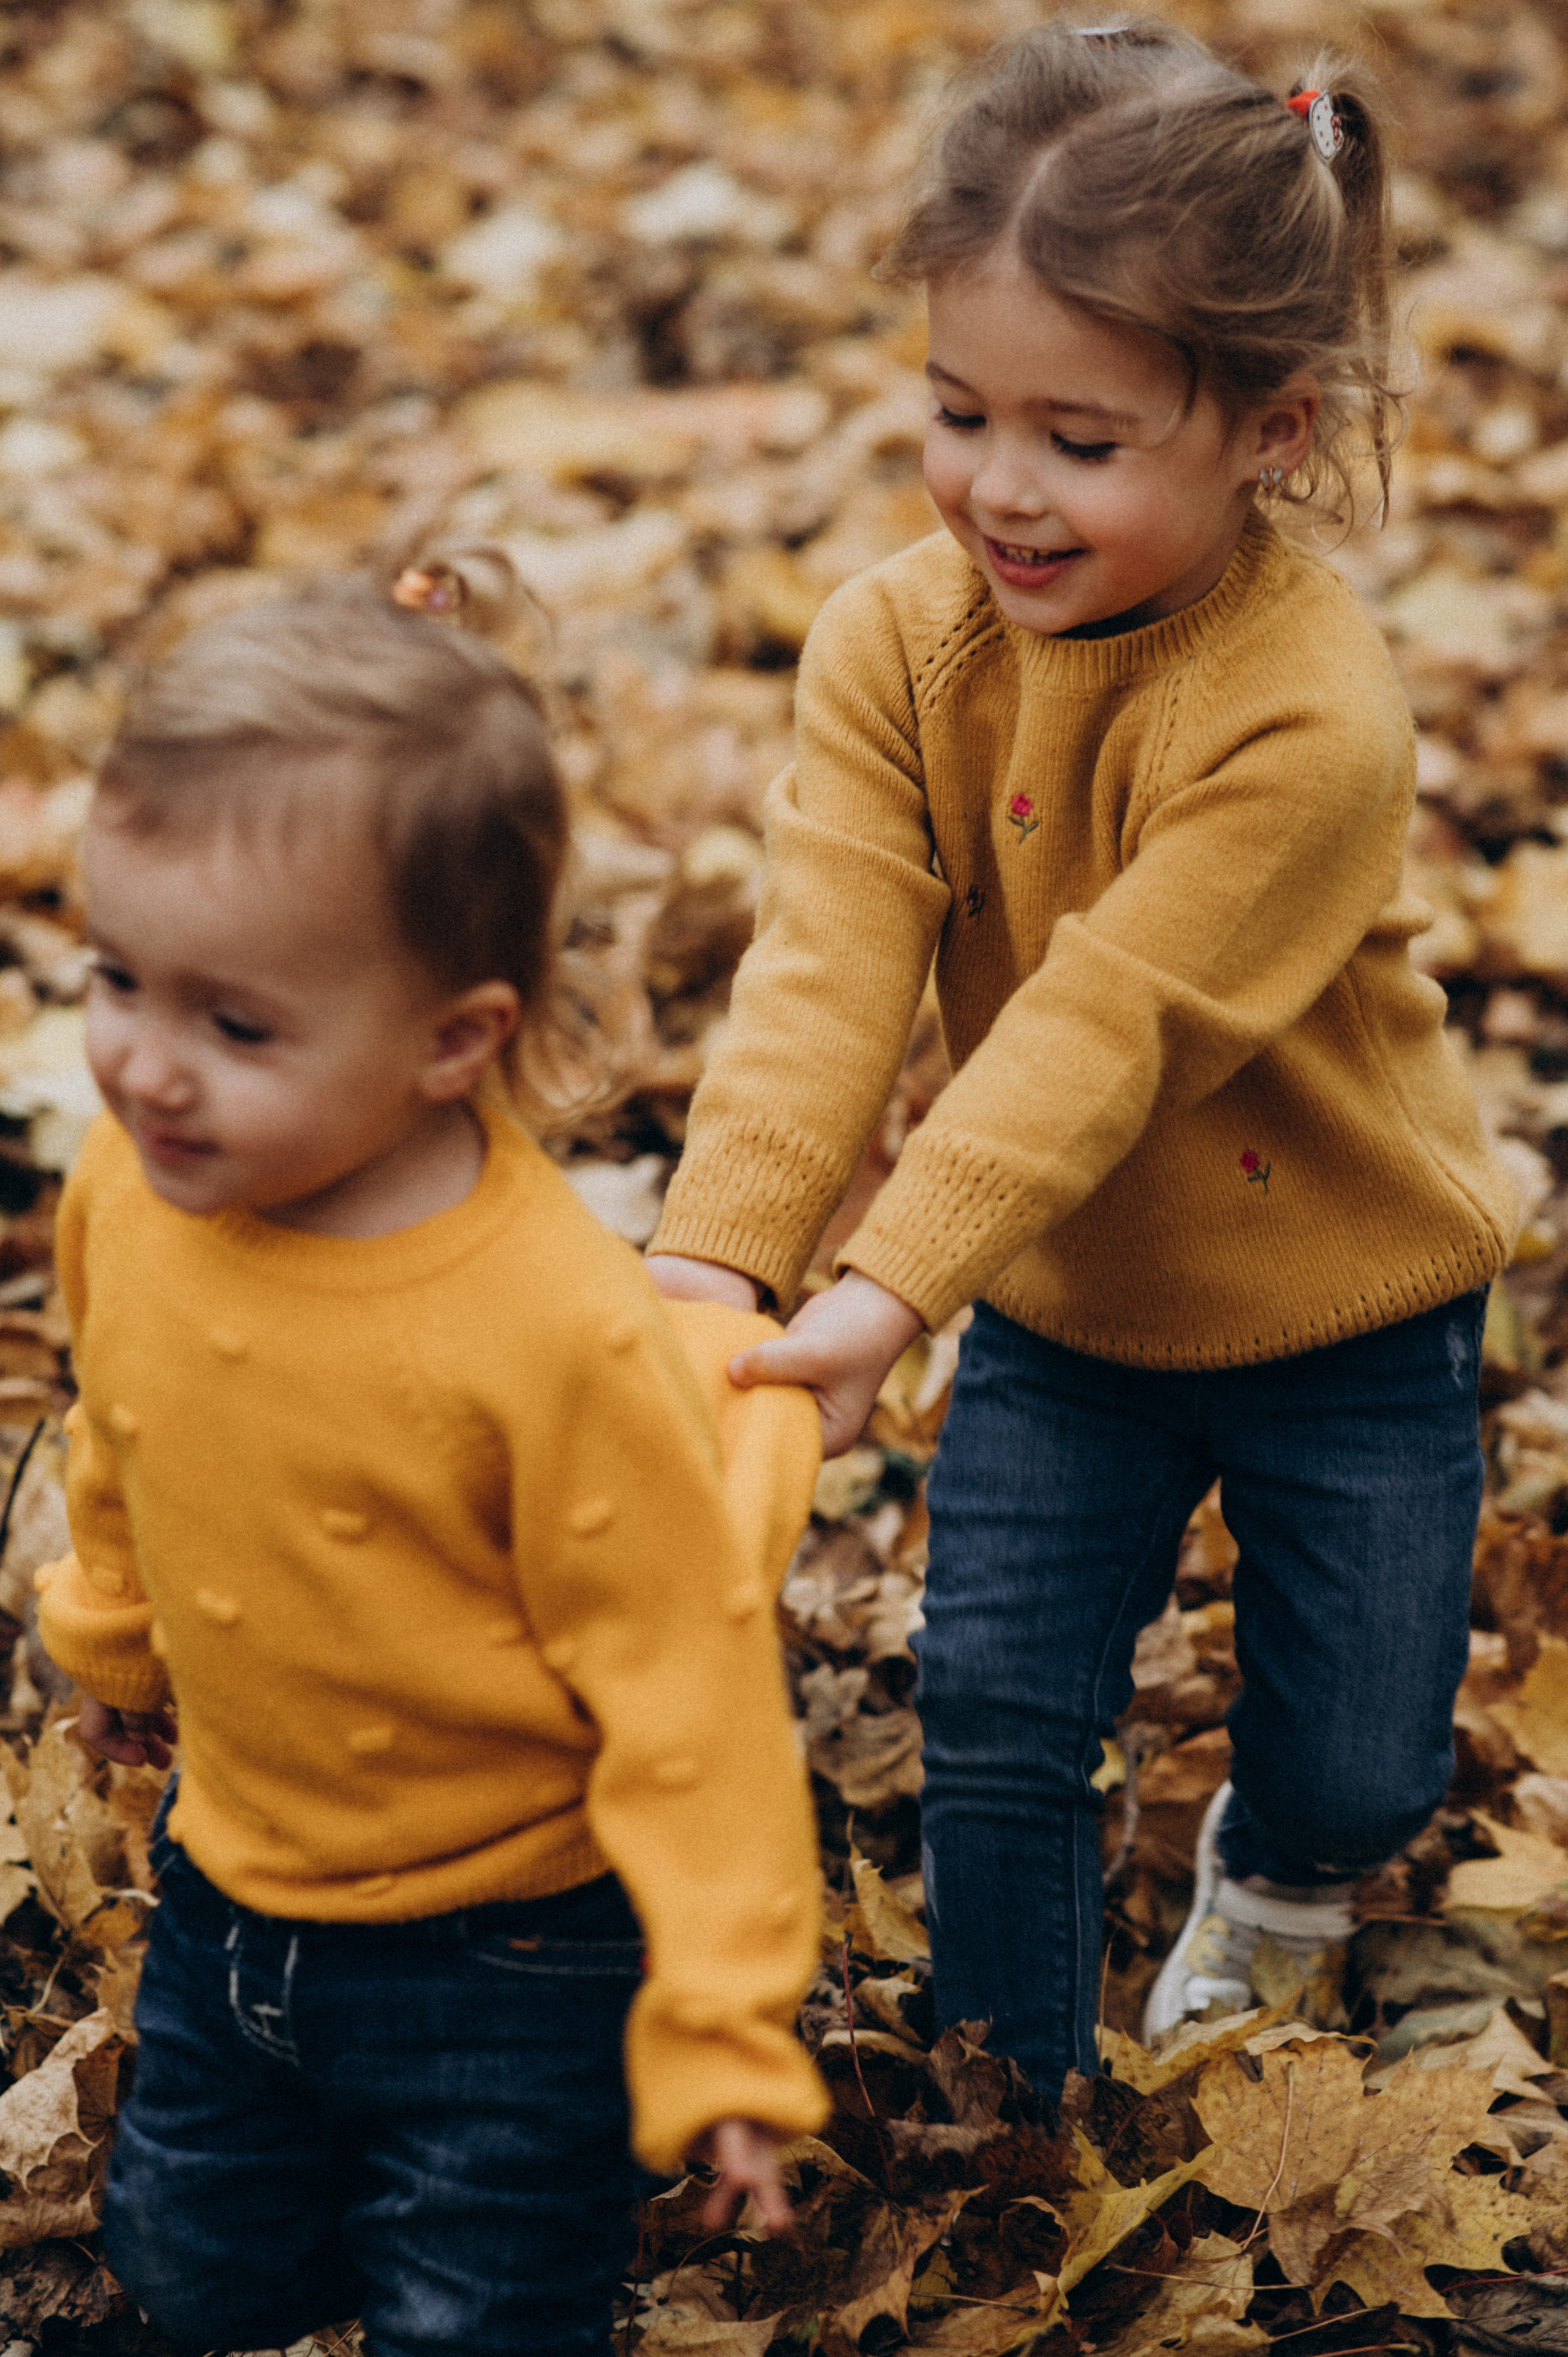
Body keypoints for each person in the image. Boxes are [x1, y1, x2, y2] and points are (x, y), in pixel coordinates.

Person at [647, 18, 1517, 2096]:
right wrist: (725, 1258)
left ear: (1269, 434)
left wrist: (887, 1290)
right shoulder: (897, 642)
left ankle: (1289, 1881)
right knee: (1001, 1705)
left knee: (1365, 1744)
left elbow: (1108, 1021)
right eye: (959, 413)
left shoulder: (1308, 711)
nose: (1000, 490)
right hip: (1063, 1299)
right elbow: (829, 959)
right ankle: (1011, 2081)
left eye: (1082, 439)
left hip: (1348, 1300)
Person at [34, 566, 829, 2357]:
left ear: (453, 1038)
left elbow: (688, 1691)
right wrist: (114, 1641)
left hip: (513, 1954)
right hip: (233, 1875)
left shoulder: (549, 1330)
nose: (147, 1069)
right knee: (196, 2266)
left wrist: (722, 2021)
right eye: (115, 980)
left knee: (480, 2315)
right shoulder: (135, 1187)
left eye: (235, 1027)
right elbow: (131, 1428)